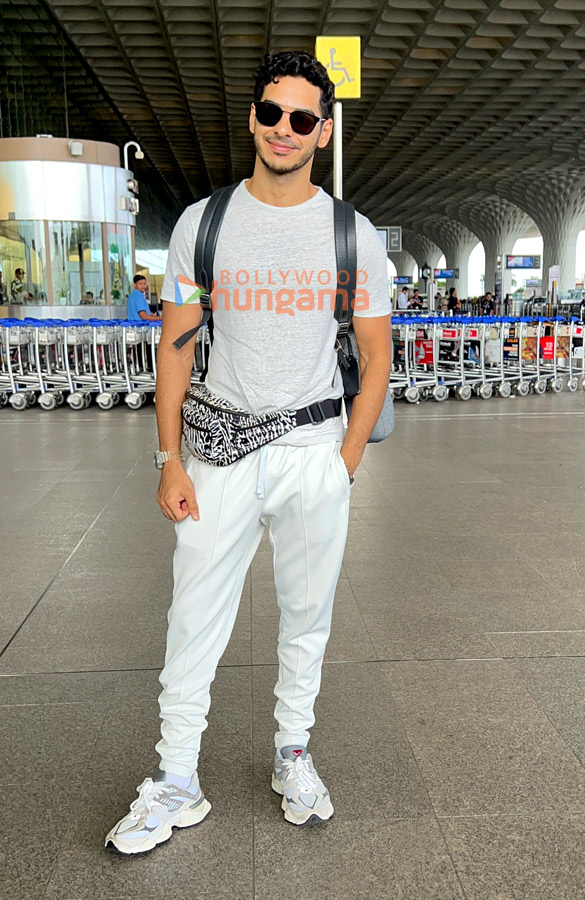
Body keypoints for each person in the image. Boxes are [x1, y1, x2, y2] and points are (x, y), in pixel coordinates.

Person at [105, 49, 391, 855]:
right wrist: (168, 459)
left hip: (312, 451)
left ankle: (292, 754)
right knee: (192, 617)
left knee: (306, 618)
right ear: (254, 118)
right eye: (272, 112)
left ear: (322, 131)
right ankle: (176, 781)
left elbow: (375, 355)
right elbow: (176, 348)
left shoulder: (351, 234)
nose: (284, 130)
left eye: (303, 118)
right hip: (217, 447)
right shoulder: (206, 222)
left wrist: (347, 458)